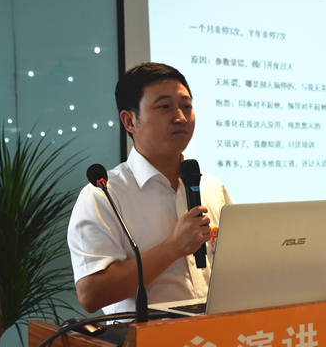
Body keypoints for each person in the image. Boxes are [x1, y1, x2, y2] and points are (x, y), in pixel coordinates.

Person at [68, 62, 232, 315]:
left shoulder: (212, 187)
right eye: (165, 107)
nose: (180, 117)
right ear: (129, 121)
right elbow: (91, 294)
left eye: (186, 106)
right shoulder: (104, 195)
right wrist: (173, 248)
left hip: (215, 334)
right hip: (145, 338)